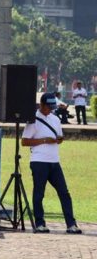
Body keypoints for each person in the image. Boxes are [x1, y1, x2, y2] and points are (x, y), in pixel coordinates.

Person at [21, 92, 82, 234]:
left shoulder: (55, 119)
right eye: (48, 107)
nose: (50, 110)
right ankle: (40, 223)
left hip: (54, 161)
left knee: (64, 192)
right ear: (41, 105)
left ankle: (71, 224)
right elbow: (24, 141)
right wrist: (44, 140)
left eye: (52, 107)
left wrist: (59, 139)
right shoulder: (33, 120)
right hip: (39, 161)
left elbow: (59, 136)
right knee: (39, 193)